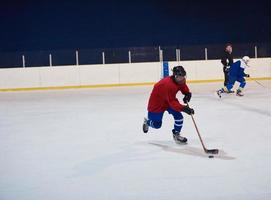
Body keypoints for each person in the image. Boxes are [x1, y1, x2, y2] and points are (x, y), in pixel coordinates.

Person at [142, 66, 194, 144]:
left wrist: (187, 93)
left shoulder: (180, 80)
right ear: (175, 76)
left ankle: (176, 134)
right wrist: (183, 108)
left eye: (184, 76)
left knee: (179, 117)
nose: (183, 78)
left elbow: (182, 86)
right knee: (157, 125)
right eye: (181, 77)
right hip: (157, 103)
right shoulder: (167, 85)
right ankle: (147, 122)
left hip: (168, 101)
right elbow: (172, 102)